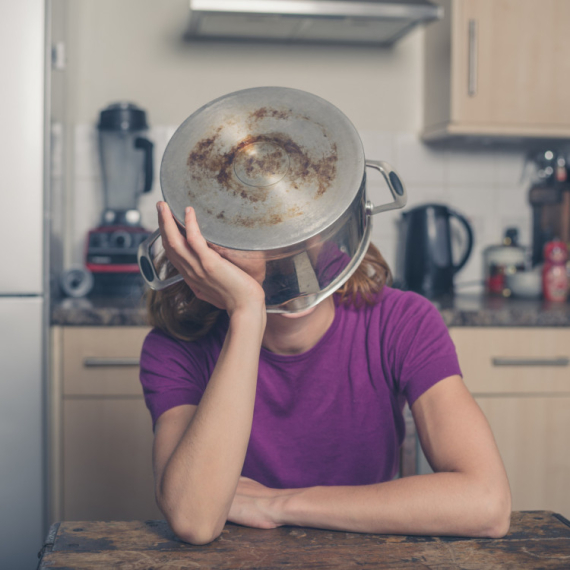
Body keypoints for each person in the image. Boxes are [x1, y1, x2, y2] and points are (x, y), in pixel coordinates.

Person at [139, 201, 511, 545]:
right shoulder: (175, 347)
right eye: (258, 236)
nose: (283, 256)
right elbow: (193, 519)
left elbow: (486, 503)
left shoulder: (403, 321)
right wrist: (248, 313)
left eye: (296, 227)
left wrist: (280, 505)